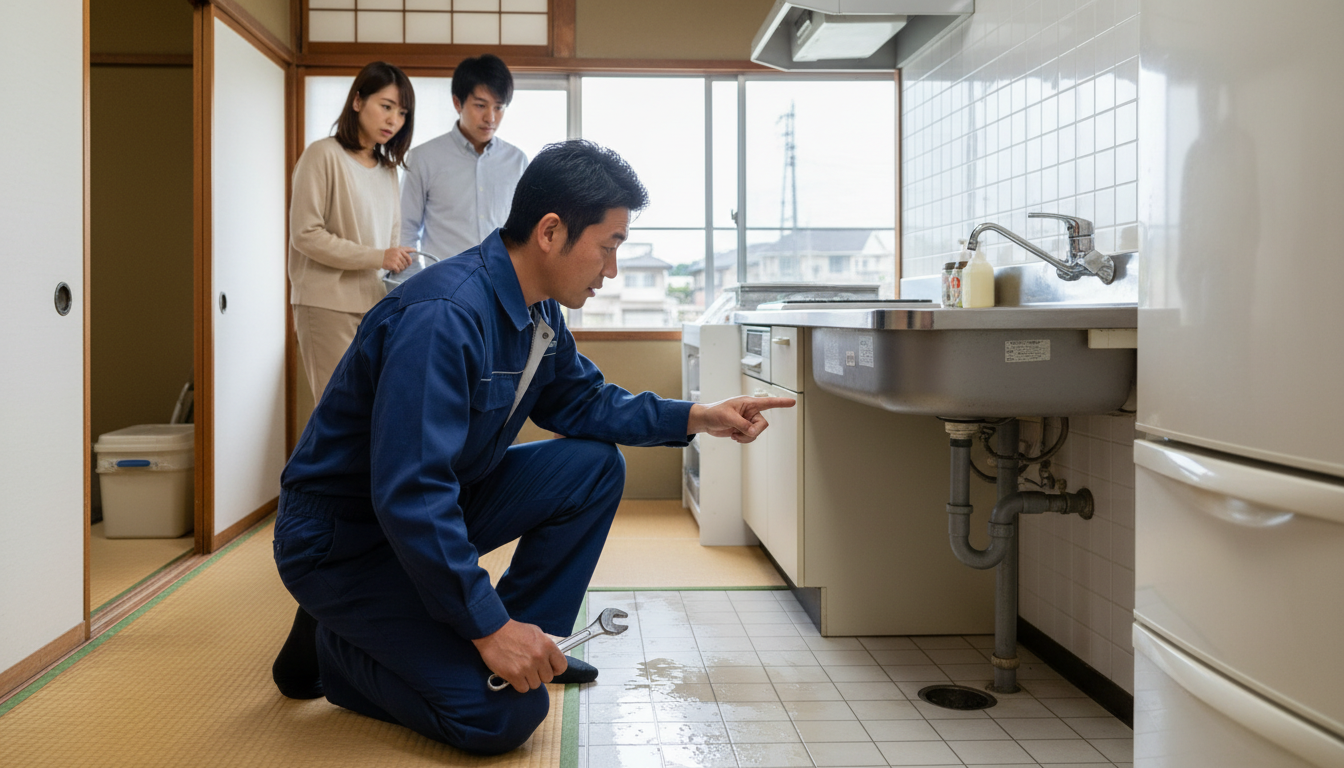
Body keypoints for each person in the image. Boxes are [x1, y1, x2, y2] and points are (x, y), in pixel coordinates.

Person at [270, 140, 794, 755]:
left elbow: (586, 403)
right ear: (551, 232)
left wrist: (700, 416)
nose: (612, 270)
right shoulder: (445, 315)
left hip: (421, 512)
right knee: (501, 718)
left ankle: (533, 643)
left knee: (592, 466)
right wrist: (486, 628)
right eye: (609, 247)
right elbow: (411, 491)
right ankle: (337, 648)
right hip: (345, 540)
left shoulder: (537, 310)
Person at [289, 61, 417, 402]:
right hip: (326, 304)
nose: (394, 120)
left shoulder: (389, 170)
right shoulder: (322, 155)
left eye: (402, 113)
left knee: (368, 412)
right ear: (358, 101)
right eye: (386, 107)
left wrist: (397, 262)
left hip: (373, 305)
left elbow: (389, 242)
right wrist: (378, 256)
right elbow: (305, 234)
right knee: (335, 411)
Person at [399, 54, 528, 261]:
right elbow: (406, 230)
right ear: (457, 103)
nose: (491, 118)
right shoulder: (422, 158)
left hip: (502, 281)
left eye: (499, 107)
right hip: (443, 284)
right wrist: (417, 282)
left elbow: (525, 229)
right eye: (480, 105)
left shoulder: (518, 161)